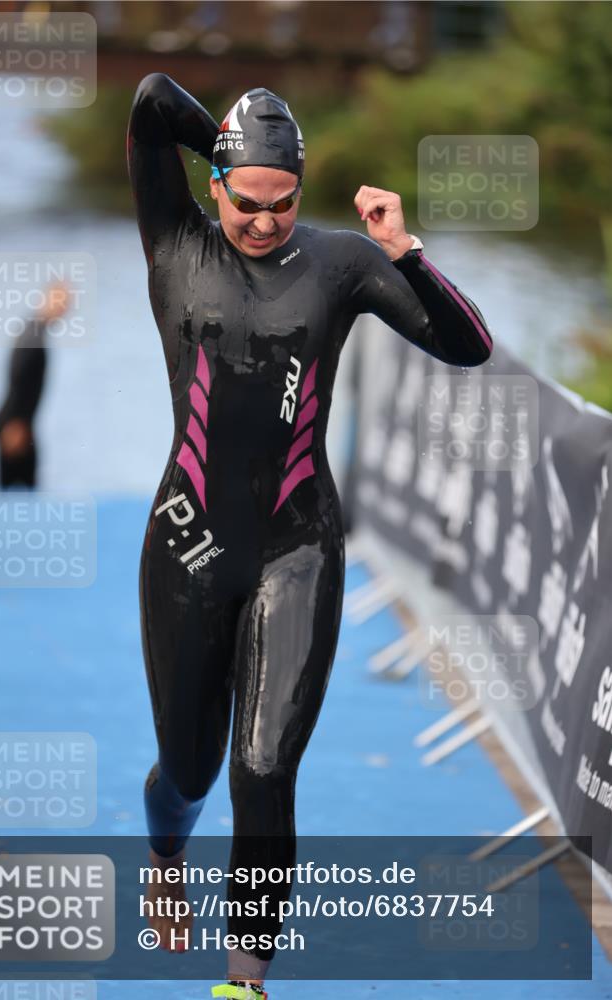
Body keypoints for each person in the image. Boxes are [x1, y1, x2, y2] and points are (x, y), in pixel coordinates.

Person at [127, 75, 492, 1000]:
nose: (261, 220)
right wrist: (229, 140)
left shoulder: (341, 264)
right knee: (191, 762)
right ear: (215, 187)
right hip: (187, 544)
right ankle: (165, 853)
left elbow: (468, 346)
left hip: (299, 547)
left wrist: (402, 250)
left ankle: (244, 977)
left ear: (303, 188)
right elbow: (146, 102)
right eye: (244, 201)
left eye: (280, 202)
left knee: (263, 763)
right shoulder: (175, 243)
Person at [0, 283, 70, 489]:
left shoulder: (35, 330)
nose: (64, 308)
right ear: (45, 300)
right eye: (60, 301)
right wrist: (16, 421)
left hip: (21, 421)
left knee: (25, 490)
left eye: (67, 303)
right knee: (11, 492)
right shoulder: (32, 334)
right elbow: (18, 374)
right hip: (14, 423)